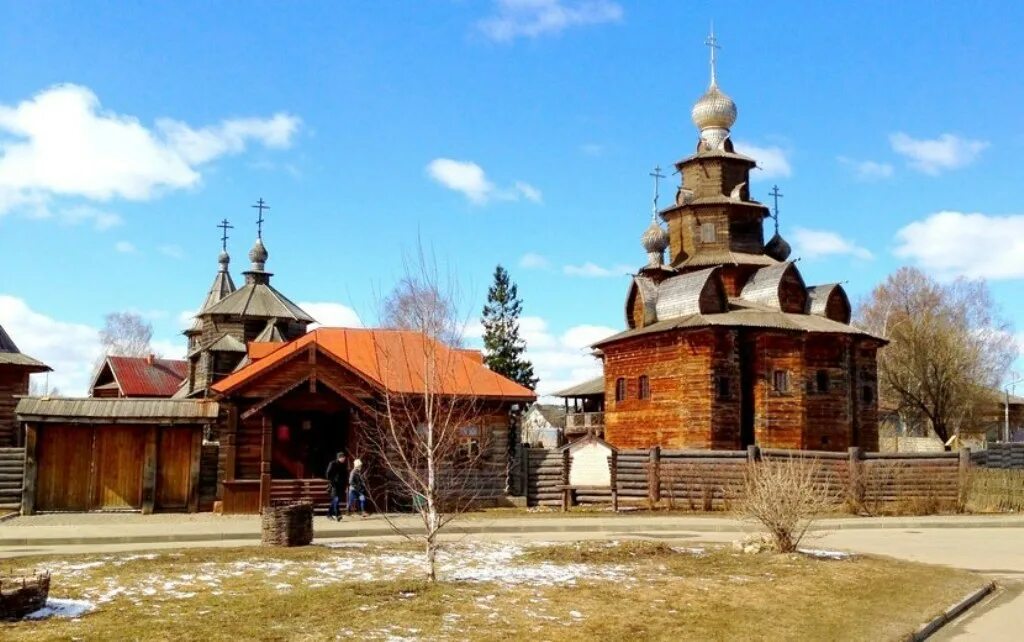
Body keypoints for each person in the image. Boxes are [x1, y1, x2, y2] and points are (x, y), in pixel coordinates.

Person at [325, 452, 348, 521]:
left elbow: (345, 476)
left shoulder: (344, 465)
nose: (344, 458)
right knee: (336, 499)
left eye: (344, 457)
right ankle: (338, 515)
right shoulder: (333, 463)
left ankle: (329, 514)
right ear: (339, 458)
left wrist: (346, 485)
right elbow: (328, 473)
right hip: (334, 485)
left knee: (335, 500)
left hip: (341, 485)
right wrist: (331, 481)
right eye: (342, 457)